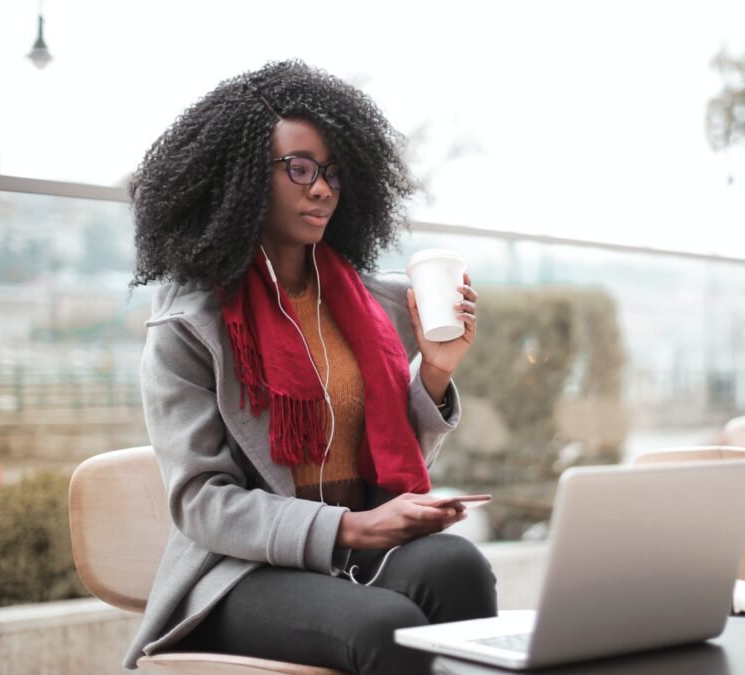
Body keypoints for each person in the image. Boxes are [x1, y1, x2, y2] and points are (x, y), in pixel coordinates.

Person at [123, 60, 497, 674]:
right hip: (241, 572)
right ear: (239, 178)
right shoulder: (189, 326)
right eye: (299, 169)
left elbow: (392, 457)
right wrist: (349, 528)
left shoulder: (373, 304)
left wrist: (433, 370)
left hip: (351, 548)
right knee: (388, 626)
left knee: (459, 566)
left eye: (332, 173)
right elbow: (201, 502)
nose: (321, 188)